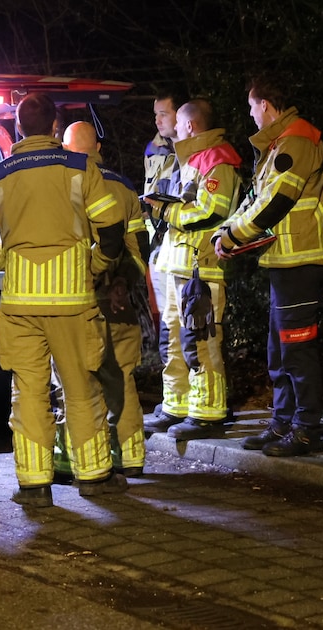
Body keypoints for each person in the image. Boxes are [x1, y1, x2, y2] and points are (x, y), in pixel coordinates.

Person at [0, 93, 129, 508]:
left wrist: (0, 258)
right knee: (80, 389)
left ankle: (33, 484)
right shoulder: (81, 167)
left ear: (18, 129)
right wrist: (98, 263)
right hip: (72, 302)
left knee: (29, 392)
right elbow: (111, 225)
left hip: (20, 305)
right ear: (55, 127)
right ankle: (93, 476)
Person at [213, 75, 323, 457]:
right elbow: (256, 199)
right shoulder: (278, 146)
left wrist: (234, 237)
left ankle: (306, 429)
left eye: (252, 106)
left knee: (297, 350)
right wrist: (227, 230)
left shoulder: (296, 142)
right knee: (279, 349)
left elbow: (277, 203)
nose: (250, 114)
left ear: (266, 105)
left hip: (301, 258)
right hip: (286, 258)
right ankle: (284, 423)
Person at [143, 99, 242, 441]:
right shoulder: (190, 159)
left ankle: (208, 413)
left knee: (200, 341)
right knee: (172, 338)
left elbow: (211, 212)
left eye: (180, 123)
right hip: (177, 265)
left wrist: (165, 213)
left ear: (190, 126)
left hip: (201, 268)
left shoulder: (217, 160)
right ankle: (177, 406)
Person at [62, 121, 150, 477]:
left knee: (80, 381)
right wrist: (124, 283)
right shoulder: (125, 186)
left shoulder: (67, 185)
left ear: (68, 151)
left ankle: (90, 460)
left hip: (79, 297)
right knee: (123, 377)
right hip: (119, 297)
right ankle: (131, 458)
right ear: (98, 146)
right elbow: (139, 246)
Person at [142, 88, 191, 435]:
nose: (158, 120)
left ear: (181, 114)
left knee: (188, 331)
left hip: (183, 249)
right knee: (168, 330)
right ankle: (174, 399)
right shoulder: (155, 149)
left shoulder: (191, 153)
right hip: (161, 247)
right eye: (156, 114)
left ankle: (189, 402)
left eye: (163, 113)